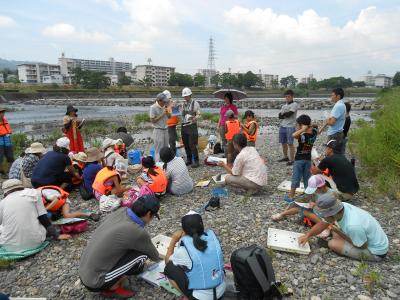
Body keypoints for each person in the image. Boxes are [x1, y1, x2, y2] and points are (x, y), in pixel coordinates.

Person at [79, 195, 161, 298]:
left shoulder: (122, 211)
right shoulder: (137, 231)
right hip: (95, 281)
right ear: (149, 214)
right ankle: (112, 287)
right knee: (143, 255)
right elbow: (154, 255)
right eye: (153, 216)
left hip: (84, 271)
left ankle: (115, 277)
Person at [299, 193, 389, 262]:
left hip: (375, 252)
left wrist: (338, 232)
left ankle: (339, 245)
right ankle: (342, 240)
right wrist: (308, 235)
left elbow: (362, 246)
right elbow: (324, 223)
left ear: (332, 214)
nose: (323, 217)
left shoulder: (352, 225)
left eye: (324, 215)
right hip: (368, 237)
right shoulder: (343, 206)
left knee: (332, 244)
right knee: (333, 229)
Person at [164, 211, 225, 300]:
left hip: (201, 298)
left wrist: (173, 240)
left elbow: (167, 262)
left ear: (184, 231)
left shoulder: (183, 251)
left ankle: (188, 297)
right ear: (202, 226)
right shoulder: (213, 240)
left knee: (169, 268)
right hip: (221, 290)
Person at [0, 179, 71, 252]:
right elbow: (43, 218)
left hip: (9, 247)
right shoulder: (34, 193)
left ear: (6, 192)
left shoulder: (2, 203)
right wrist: (57, 235)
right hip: (35, 243)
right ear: (21, 187)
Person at [285, 115, 317, 202]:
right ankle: (309, 197)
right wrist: (309, 126)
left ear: (302, 125)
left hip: (299, 160)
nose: (296, 126)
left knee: (296, 177)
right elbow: (317, 128)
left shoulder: (302, 135)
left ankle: (291, 196)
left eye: (297, 125)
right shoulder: (314, 132)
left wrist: (303, 129)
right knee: (307, 178)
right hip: (308, 160)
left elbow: (293, 135)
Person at [319, 88, 346, 154]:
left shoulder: (338, 106)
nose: (331, 97)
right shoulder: (342, 104)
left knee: (331, 153)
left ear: (338, 96)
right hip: (337, 133)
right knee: (336, 153)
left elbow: (332, 122)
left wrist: (327, 119)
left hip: (334, 134)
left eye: (332, 95)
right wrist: (321, 129)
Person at [181, 87, 201, 168]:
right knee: (186, 144)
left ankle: (196, 161)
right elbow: (181, 114)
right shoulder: (183, 104)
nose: (185, 97)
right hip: (184, 126)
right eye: (184, 96)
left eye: (187, 96)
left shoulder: (195, 103)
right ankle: (189, 159)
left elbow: (199, 114)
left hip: (192, 126)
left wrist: (194, 118)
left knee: (192, 144)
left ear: (190, 95)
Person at [278, 90, 299, 165]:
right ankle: (285, 157)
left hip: (290, 126)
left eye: (288, 96)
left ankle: (292, 160)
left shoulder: (294, 104)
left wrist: (284, 114)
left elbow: (289, 114)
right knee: (283, 143)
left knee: (290, 143)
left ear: (292, 97)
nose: (287, 98)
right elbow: (279, 116)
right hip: (282, 125)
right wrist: (284, 114)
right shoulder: (284, 106)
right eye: (286, 96)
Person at [149, 92, 170, 162]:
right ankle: (158, 164)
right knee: (158, 149)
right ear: (159, 100)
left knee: (166, 148)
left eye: (165, 101)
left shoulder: (165, 106)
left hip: (166, 129)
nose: (165, 103)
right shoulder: (153, 107)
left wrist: (167, 113)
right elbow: (152, 120)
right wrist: (163, 114)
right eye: (164, 101)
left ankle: (166, 163)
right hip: (158, 130)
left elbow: (169, 117)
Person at [218, 92, 239, 157]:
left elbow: (236, 116)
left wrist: (231, 114)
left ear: (230, 99)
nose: (226, 100)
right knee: (223, 140)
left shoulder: (233, 106)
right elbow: (220, 116)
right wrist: (218, 125)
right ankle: (226, 154)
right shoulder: (222, 107)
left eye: (227, 98)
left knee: (230, 140)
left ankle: (232, 153)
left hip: (230, 126)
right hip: (222, 125)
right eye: (225, 98)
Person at [0, 107, 14, 177]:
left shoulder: (5, 120)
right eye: (1, 112)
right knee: (0, 158)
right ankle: (2, 172)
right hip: (0, 141)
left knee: (10, 157)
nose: (2, 114)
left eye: (3, 112)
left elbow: (8, 131)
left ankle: (9, 171)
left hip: (7, 140)